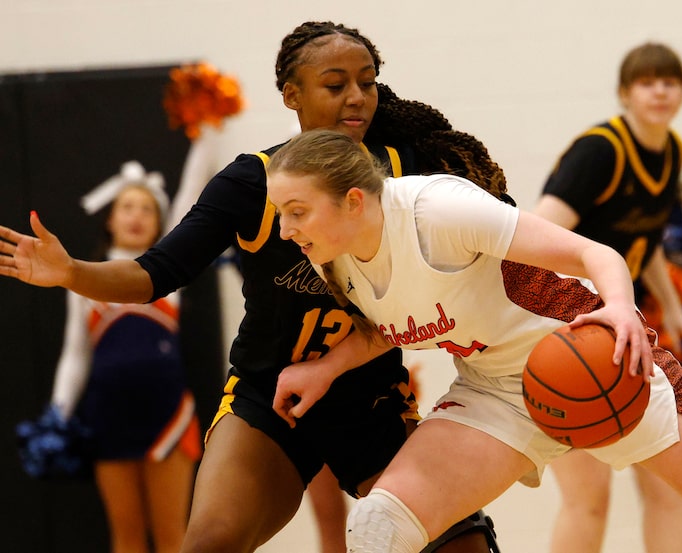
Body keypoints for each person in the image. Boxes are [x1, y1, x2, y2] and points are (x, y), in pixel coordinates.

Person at [0, 21, 503, 553]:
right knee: (209, 544)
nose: (357, 97)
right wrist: (71, 271)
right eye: (335, 85)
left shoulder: (406, 171)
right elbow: (155, 273)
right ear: (292, 95)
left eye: (368, 81)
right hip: (271, 396)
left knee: (459, 547)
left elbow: (479, 257)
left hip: (370, 396)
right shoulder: (251, 182)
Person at [261, 128, 682, 553]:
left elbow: (594, 253)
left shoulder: (438, 211)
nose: (285, 230)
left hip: (595, 357)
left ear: (353, 201)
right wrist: (326, 368)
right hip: (495, 392)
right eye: (281, 214)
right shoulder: (335, 258)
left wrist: (621, 311)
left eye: (296, 212)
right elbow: (391, 327)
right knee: (379, 527)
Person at [534, 42, 682, 553]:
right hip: (569, 331)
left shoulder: (671, 150)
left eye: (670, 80)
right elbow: (537, 233)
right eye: (646, 81)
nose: (660, 91)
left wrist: (677, 312)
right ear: (624, 93)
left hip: (627, 330)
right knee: (587, 500)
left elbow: (648, 236)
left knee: (670, 491)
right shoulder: (600, 152)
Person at [21, 161, 202, 553]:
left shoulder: (167, 276)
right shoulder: (80, 278)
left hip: (166, 417)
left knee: (174, 537)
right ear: (109, 220)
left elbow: (192, 204)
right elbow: (75, 356)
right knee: (126, 536)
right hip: (108, 417)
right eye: (127, 207)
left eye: (147, 208)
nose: (137, 216)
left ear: (161, 223)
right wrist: (58, 414)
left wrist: (206, 133)